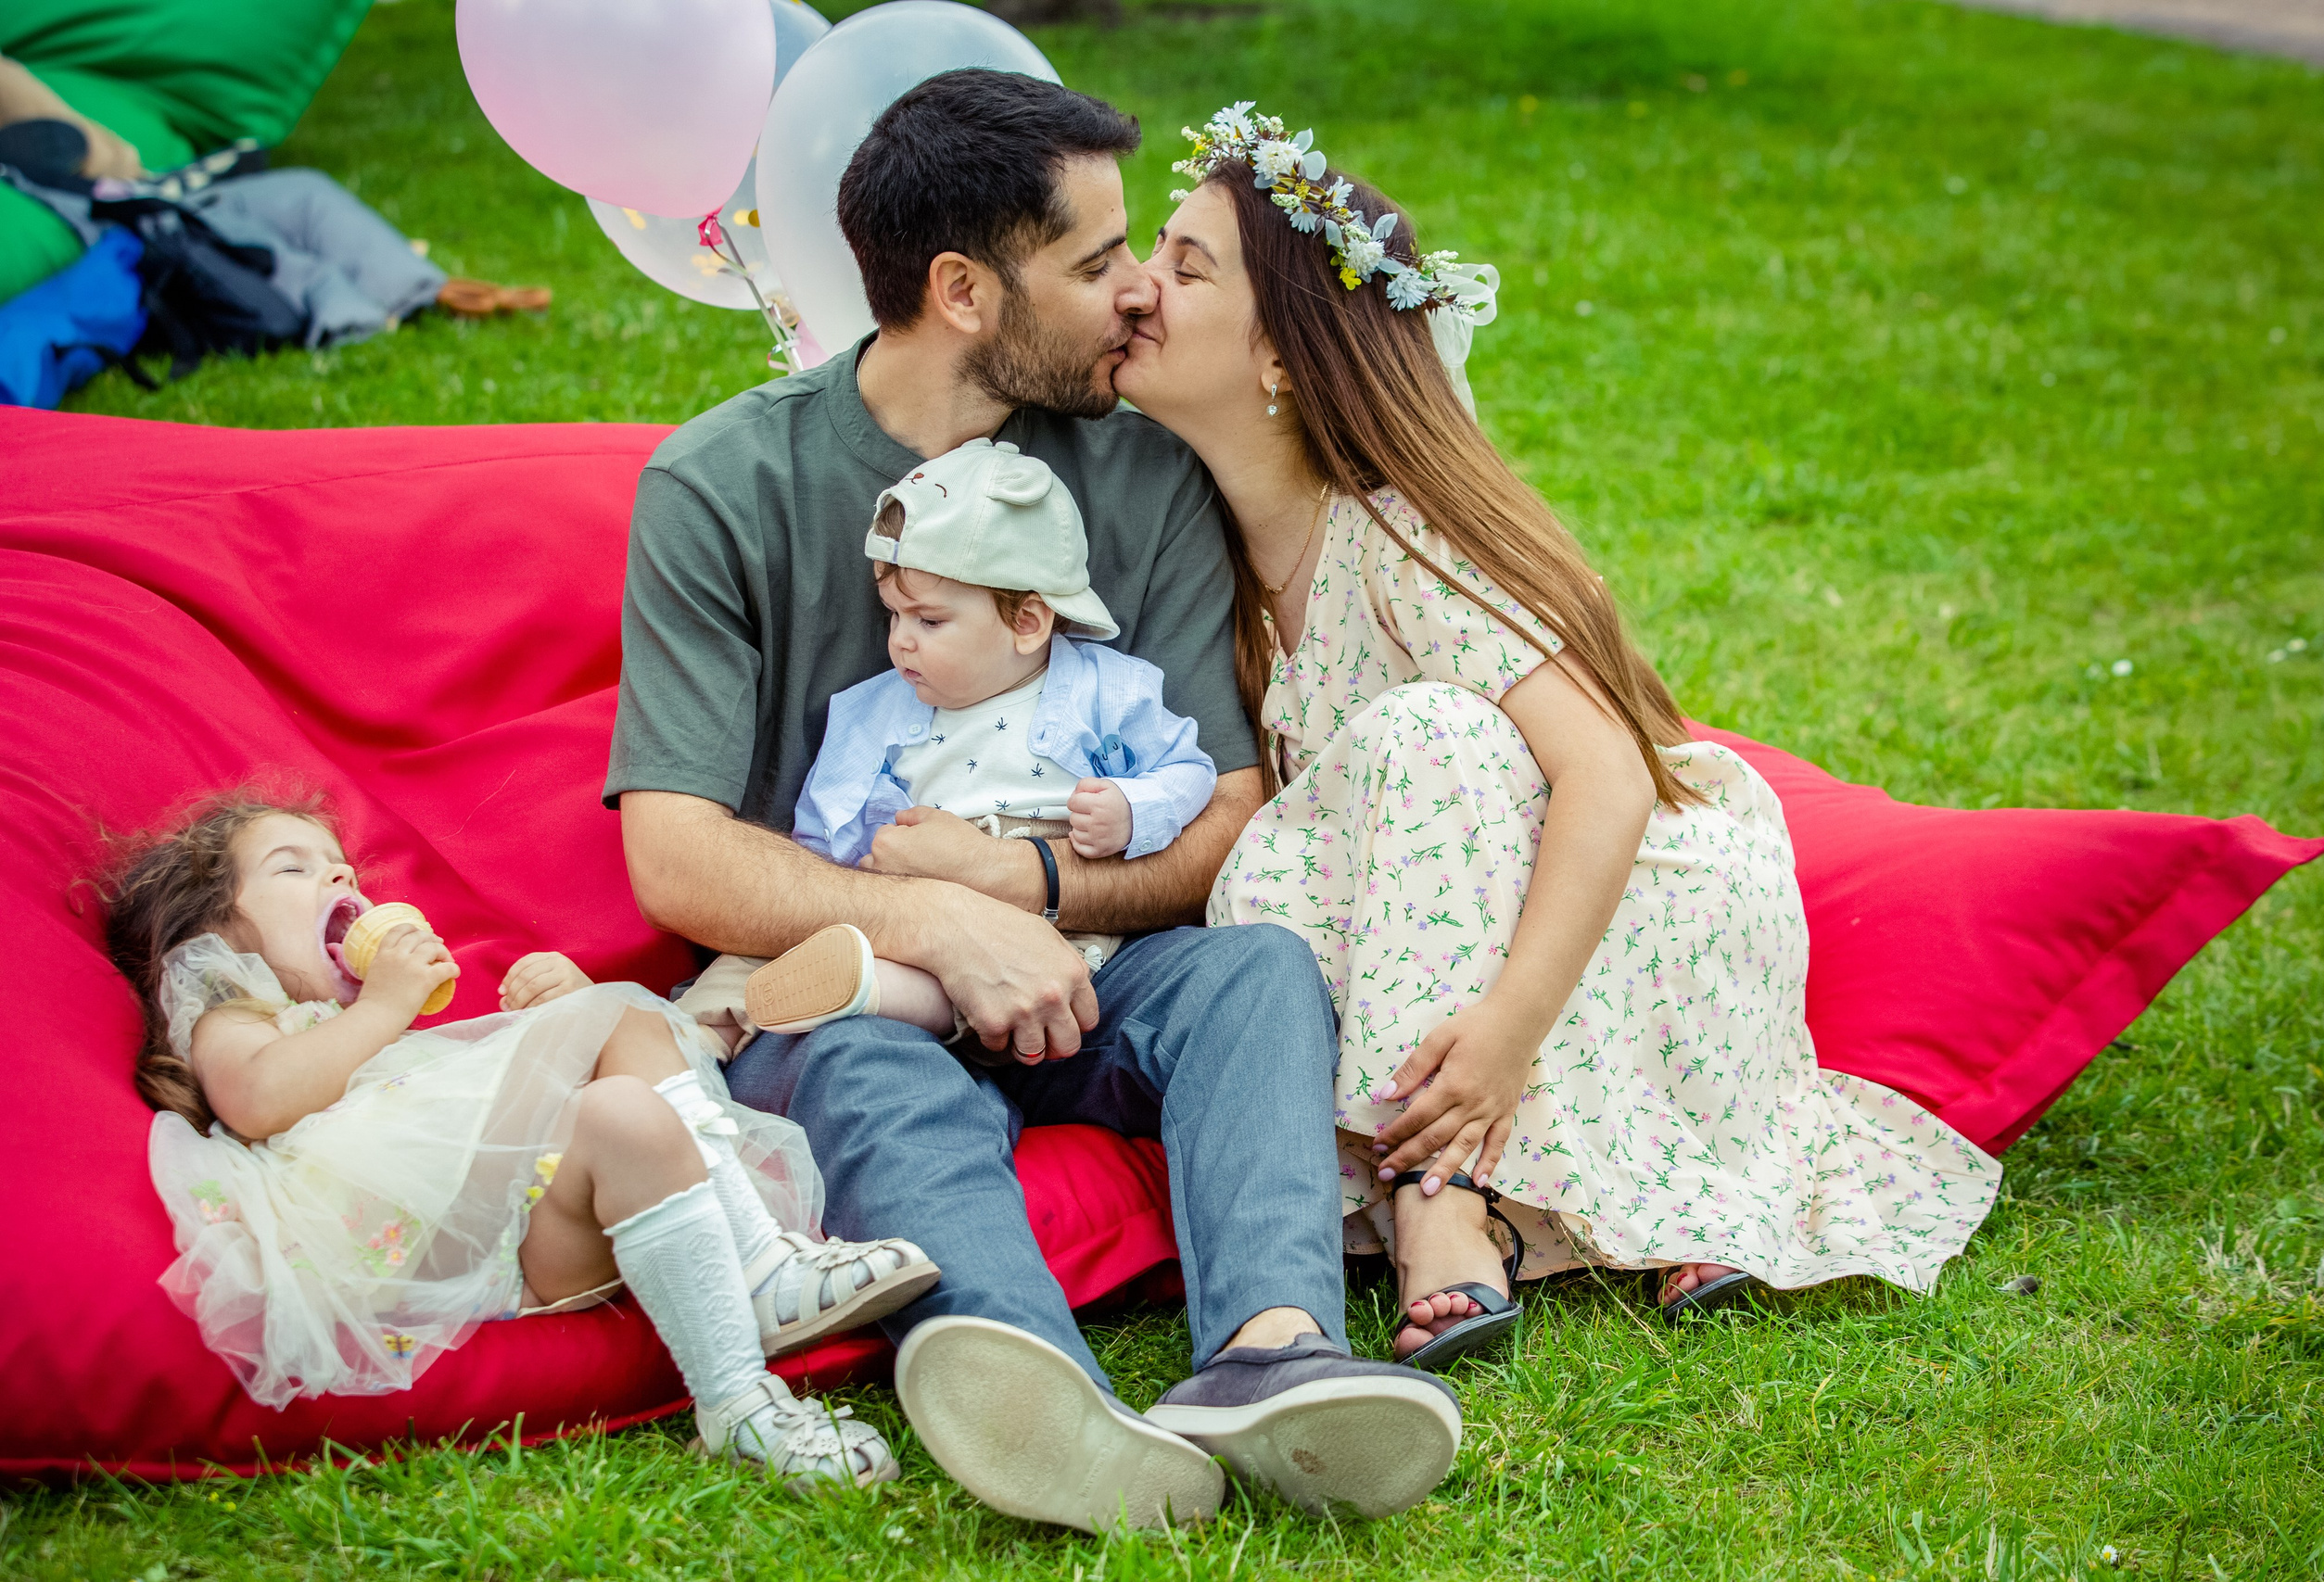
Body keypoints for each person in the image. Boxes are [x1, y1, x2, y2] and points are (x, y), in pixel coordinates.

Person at [605, 71, 1460, 1532]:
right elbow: (675, 853)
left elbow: (1226, 807)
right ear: (963, 291)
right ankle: (1037, 1389)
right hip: (863, 995)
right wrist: (940, 920)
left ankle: (1269, 1351)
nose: (1137, 293)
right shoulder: (722, 485)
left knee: (1256, 970)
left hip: (1107, 966)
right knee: (873, 1075)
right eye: (1092, 262)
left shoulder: (1141, 476)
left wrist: (1044, 898)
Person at [1114, 104, 2005, 1367]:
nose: (1139, 287)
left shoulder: (1399, 535)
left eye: (1187, 265)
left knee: (1422, 729)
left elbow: (1599, 772)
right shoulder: (1200, 558)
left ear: (1281, 358)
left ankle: (1450, 1207)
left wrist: (1507, 1034)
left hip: (1621, 886)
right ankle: (1552, 1203)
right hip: (1457, 892)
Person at [108, 792, 936, 1488]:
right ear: (221, 928)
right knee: (615, 1016)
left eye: (341, 863)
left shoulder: (361, 1028)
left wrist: (560, 1014)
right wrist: (386, 1007)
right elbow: (256, 1100)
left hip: (517, 1235)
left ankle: (740, 1386)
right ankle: (752, 1324)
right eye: (293, 866)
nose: (338, 874)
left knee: (625, 1102)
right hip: (401, 1246)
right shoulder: (231, 1005)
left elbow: (497, 1116)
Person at [673, 436, 1219, 1050]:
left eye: (929, 620)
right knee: (768, 962)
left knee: (922, 994)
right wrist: (861, 868)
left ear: (1028, 622)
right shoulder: (874, 711)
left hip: (1060, 942)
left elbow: (1190, 770)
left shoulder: (1109, 693)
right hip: (925, 921)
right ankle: (700, 1031)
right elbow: (824, 832)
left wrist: (1133, 811)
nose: (902, 641)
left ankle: (850, 988)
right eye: (892, 616)